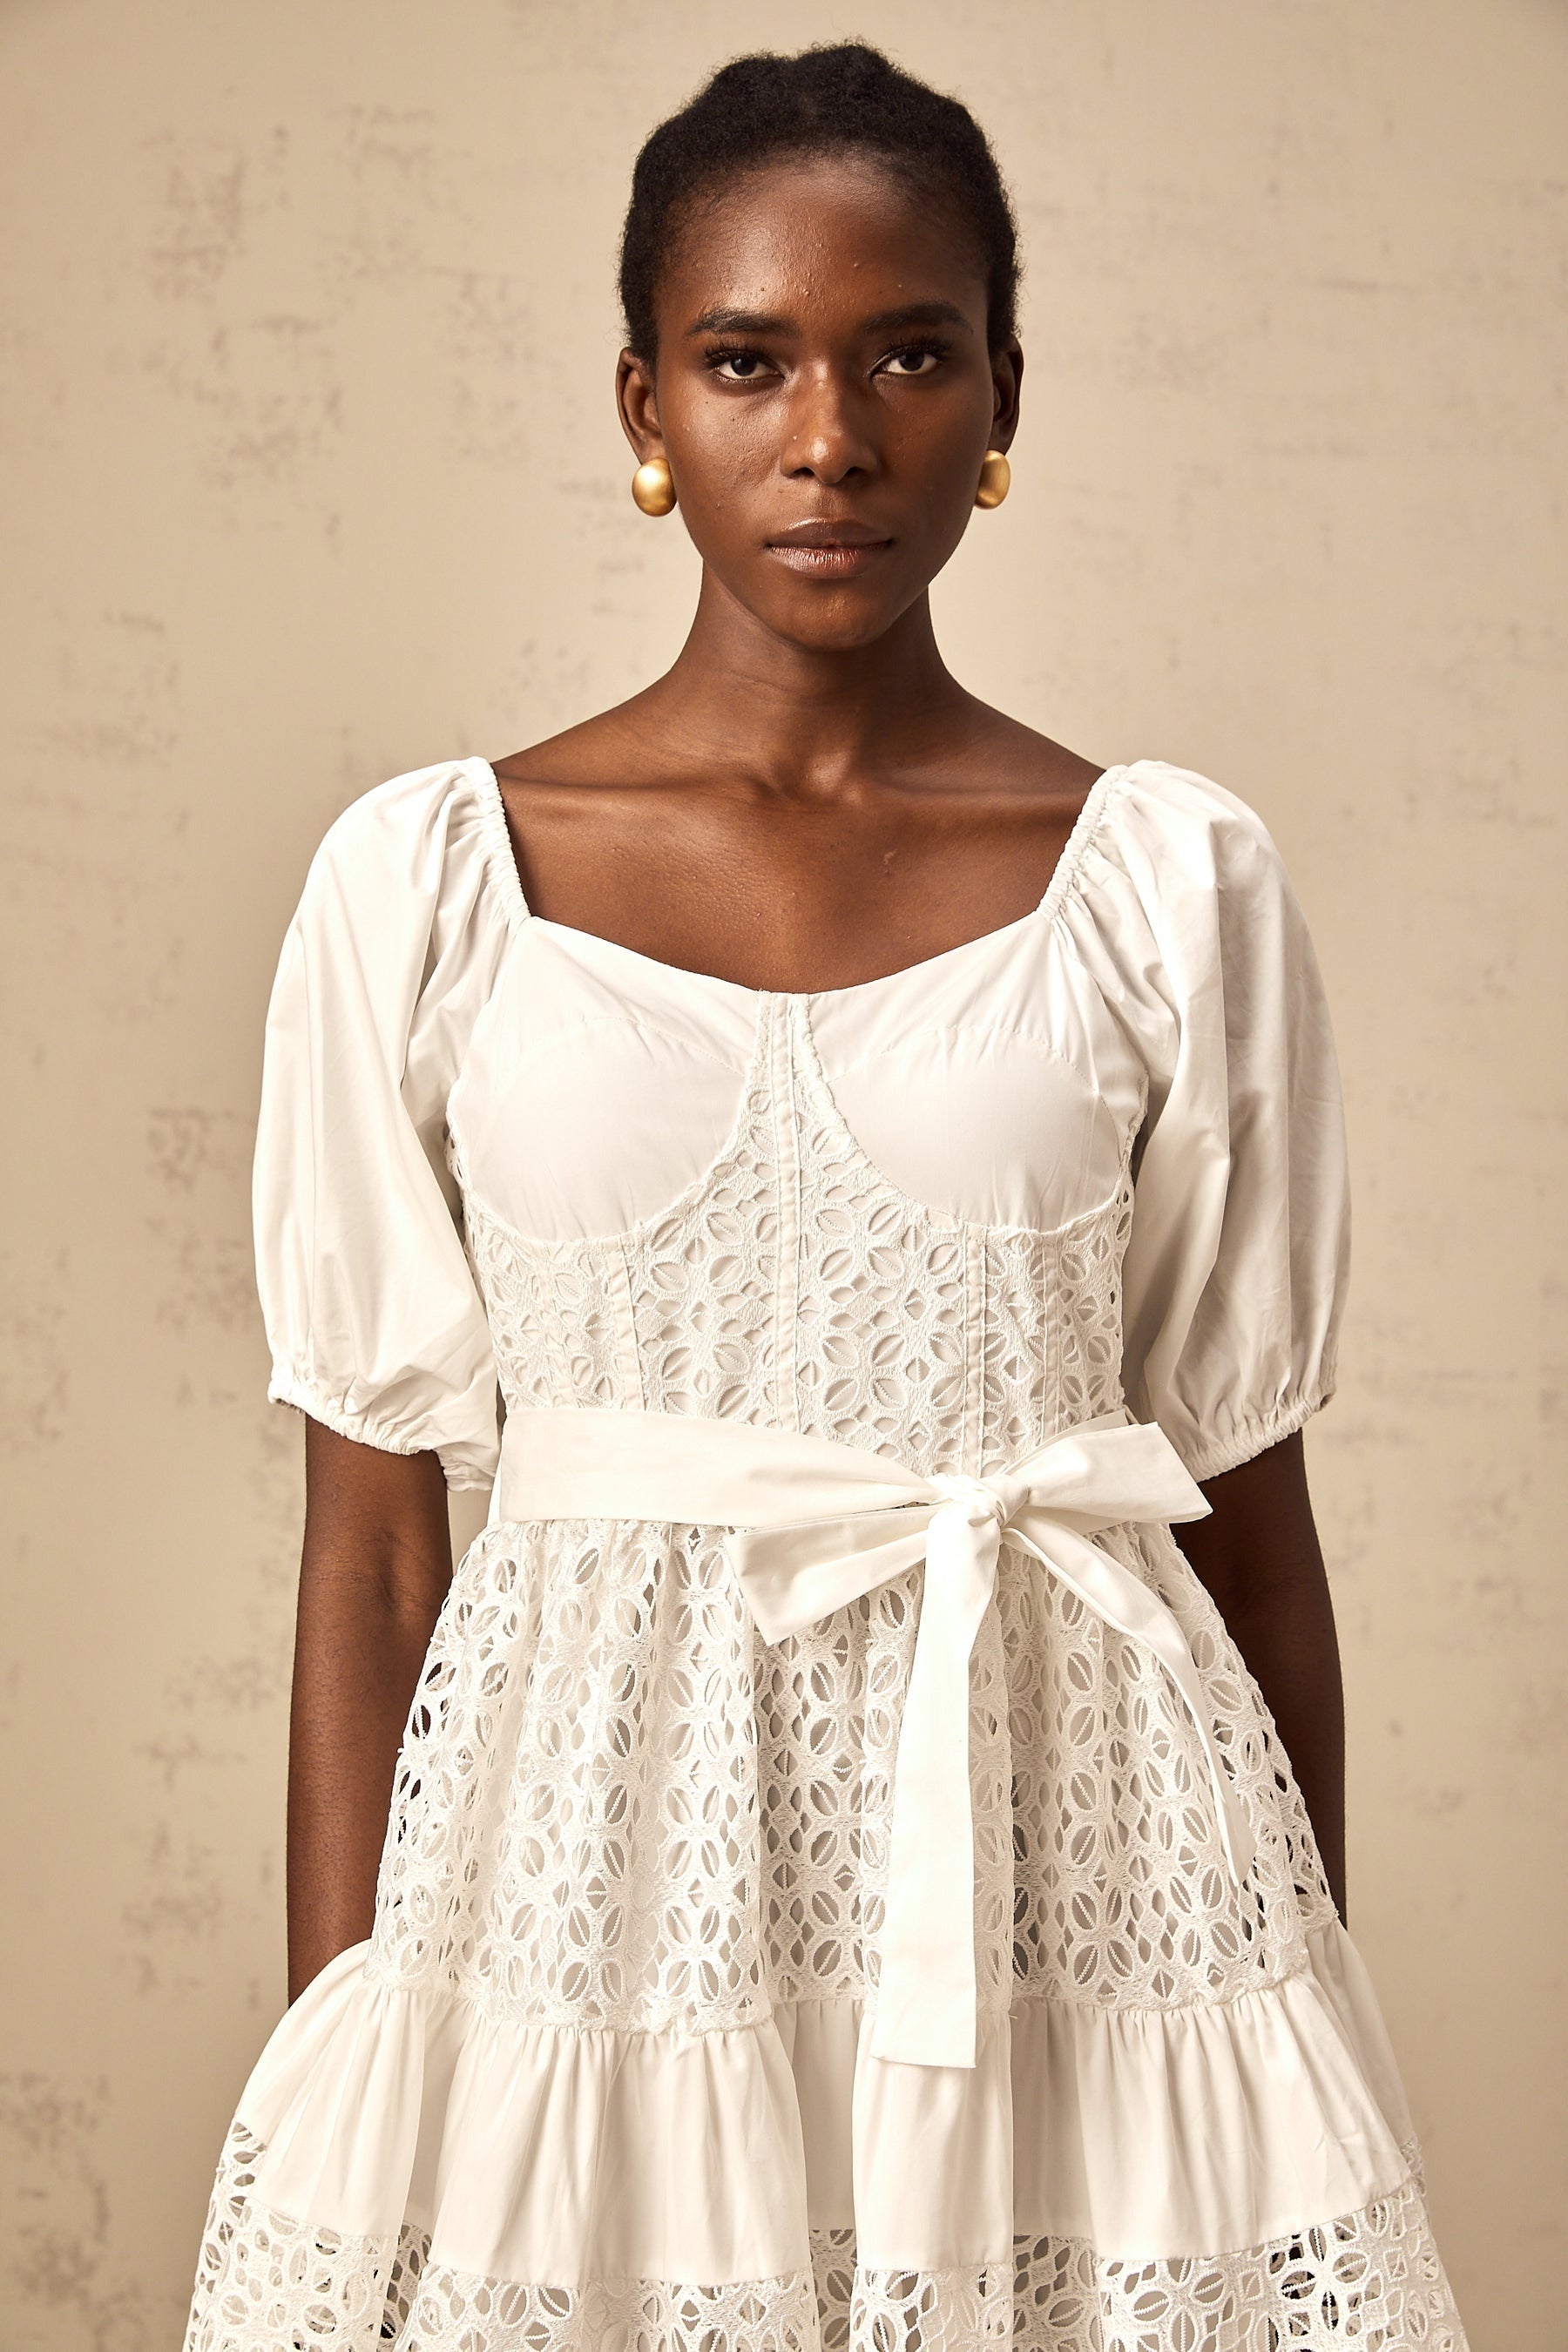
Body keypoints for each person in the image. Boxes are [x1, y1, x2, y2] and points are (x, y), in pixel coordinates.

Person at [184, 42, 1467, 2352]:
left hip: (1083, 1887)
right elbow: (372, 1544)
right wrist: (342, 2085)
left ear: (1000, 397)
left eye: (908, 354)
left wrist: (1298, 2037)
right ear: (645, 405)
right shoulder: (432, 883)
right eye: (748, 358)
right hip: (594, 1904)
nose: (832, 437)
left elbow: (1248, 1517)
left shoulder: (1166, 885)